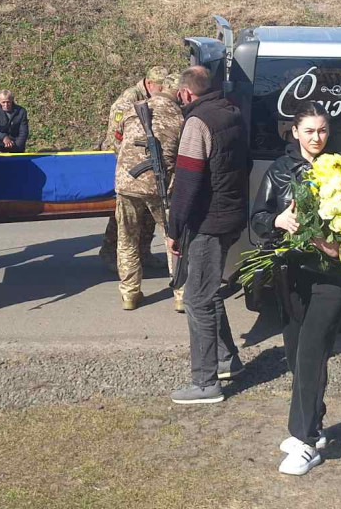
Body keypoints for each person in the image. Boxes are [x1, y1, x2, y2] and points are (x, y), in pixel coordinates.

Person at [250, 102, 341, 475]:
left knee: (310, 354)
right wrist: (278, 218)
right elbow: (257, 220)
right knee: (296, 357)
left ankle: (305, 441)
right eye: (309, 131)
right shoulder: (279, 172)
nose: (316, 137)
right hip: (292, 276)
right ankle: (316, 424)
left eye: (322, 130)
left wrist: (338, 243)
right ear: (295, 132)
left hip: (330, 276)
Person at [167, 65, 249, 405]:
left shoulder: (197, 123)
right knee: (208, 289)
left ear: (186, 94)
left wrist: (174, 229)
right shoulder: (231, 112)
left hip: (207, 223)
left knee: (197, 299)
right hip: (230, 217)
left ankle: (205, 383)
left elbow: (187, 183)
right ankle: (227, 360)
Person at [113, 78, 185, 311]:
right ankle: (181, 294)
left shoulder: (132, 109)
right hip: (160, 187)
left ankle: (129, 294)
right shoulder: (180, 118)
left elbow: (118, 141)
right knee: (174, 239)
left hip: (127, 184)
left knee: (127, 239)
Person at [98, 65, 169, 273]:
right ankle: (110, 252)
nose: (163, 90)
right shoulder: (128, 100)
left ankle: (144, 252)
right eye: (160, 86)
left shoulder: (156, 99)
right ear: (149, 84)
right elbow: (115, 137)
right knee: (123, 214)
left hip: (145, 161)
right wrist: (130, 160)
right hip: (126, 162)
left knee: (148, 213)